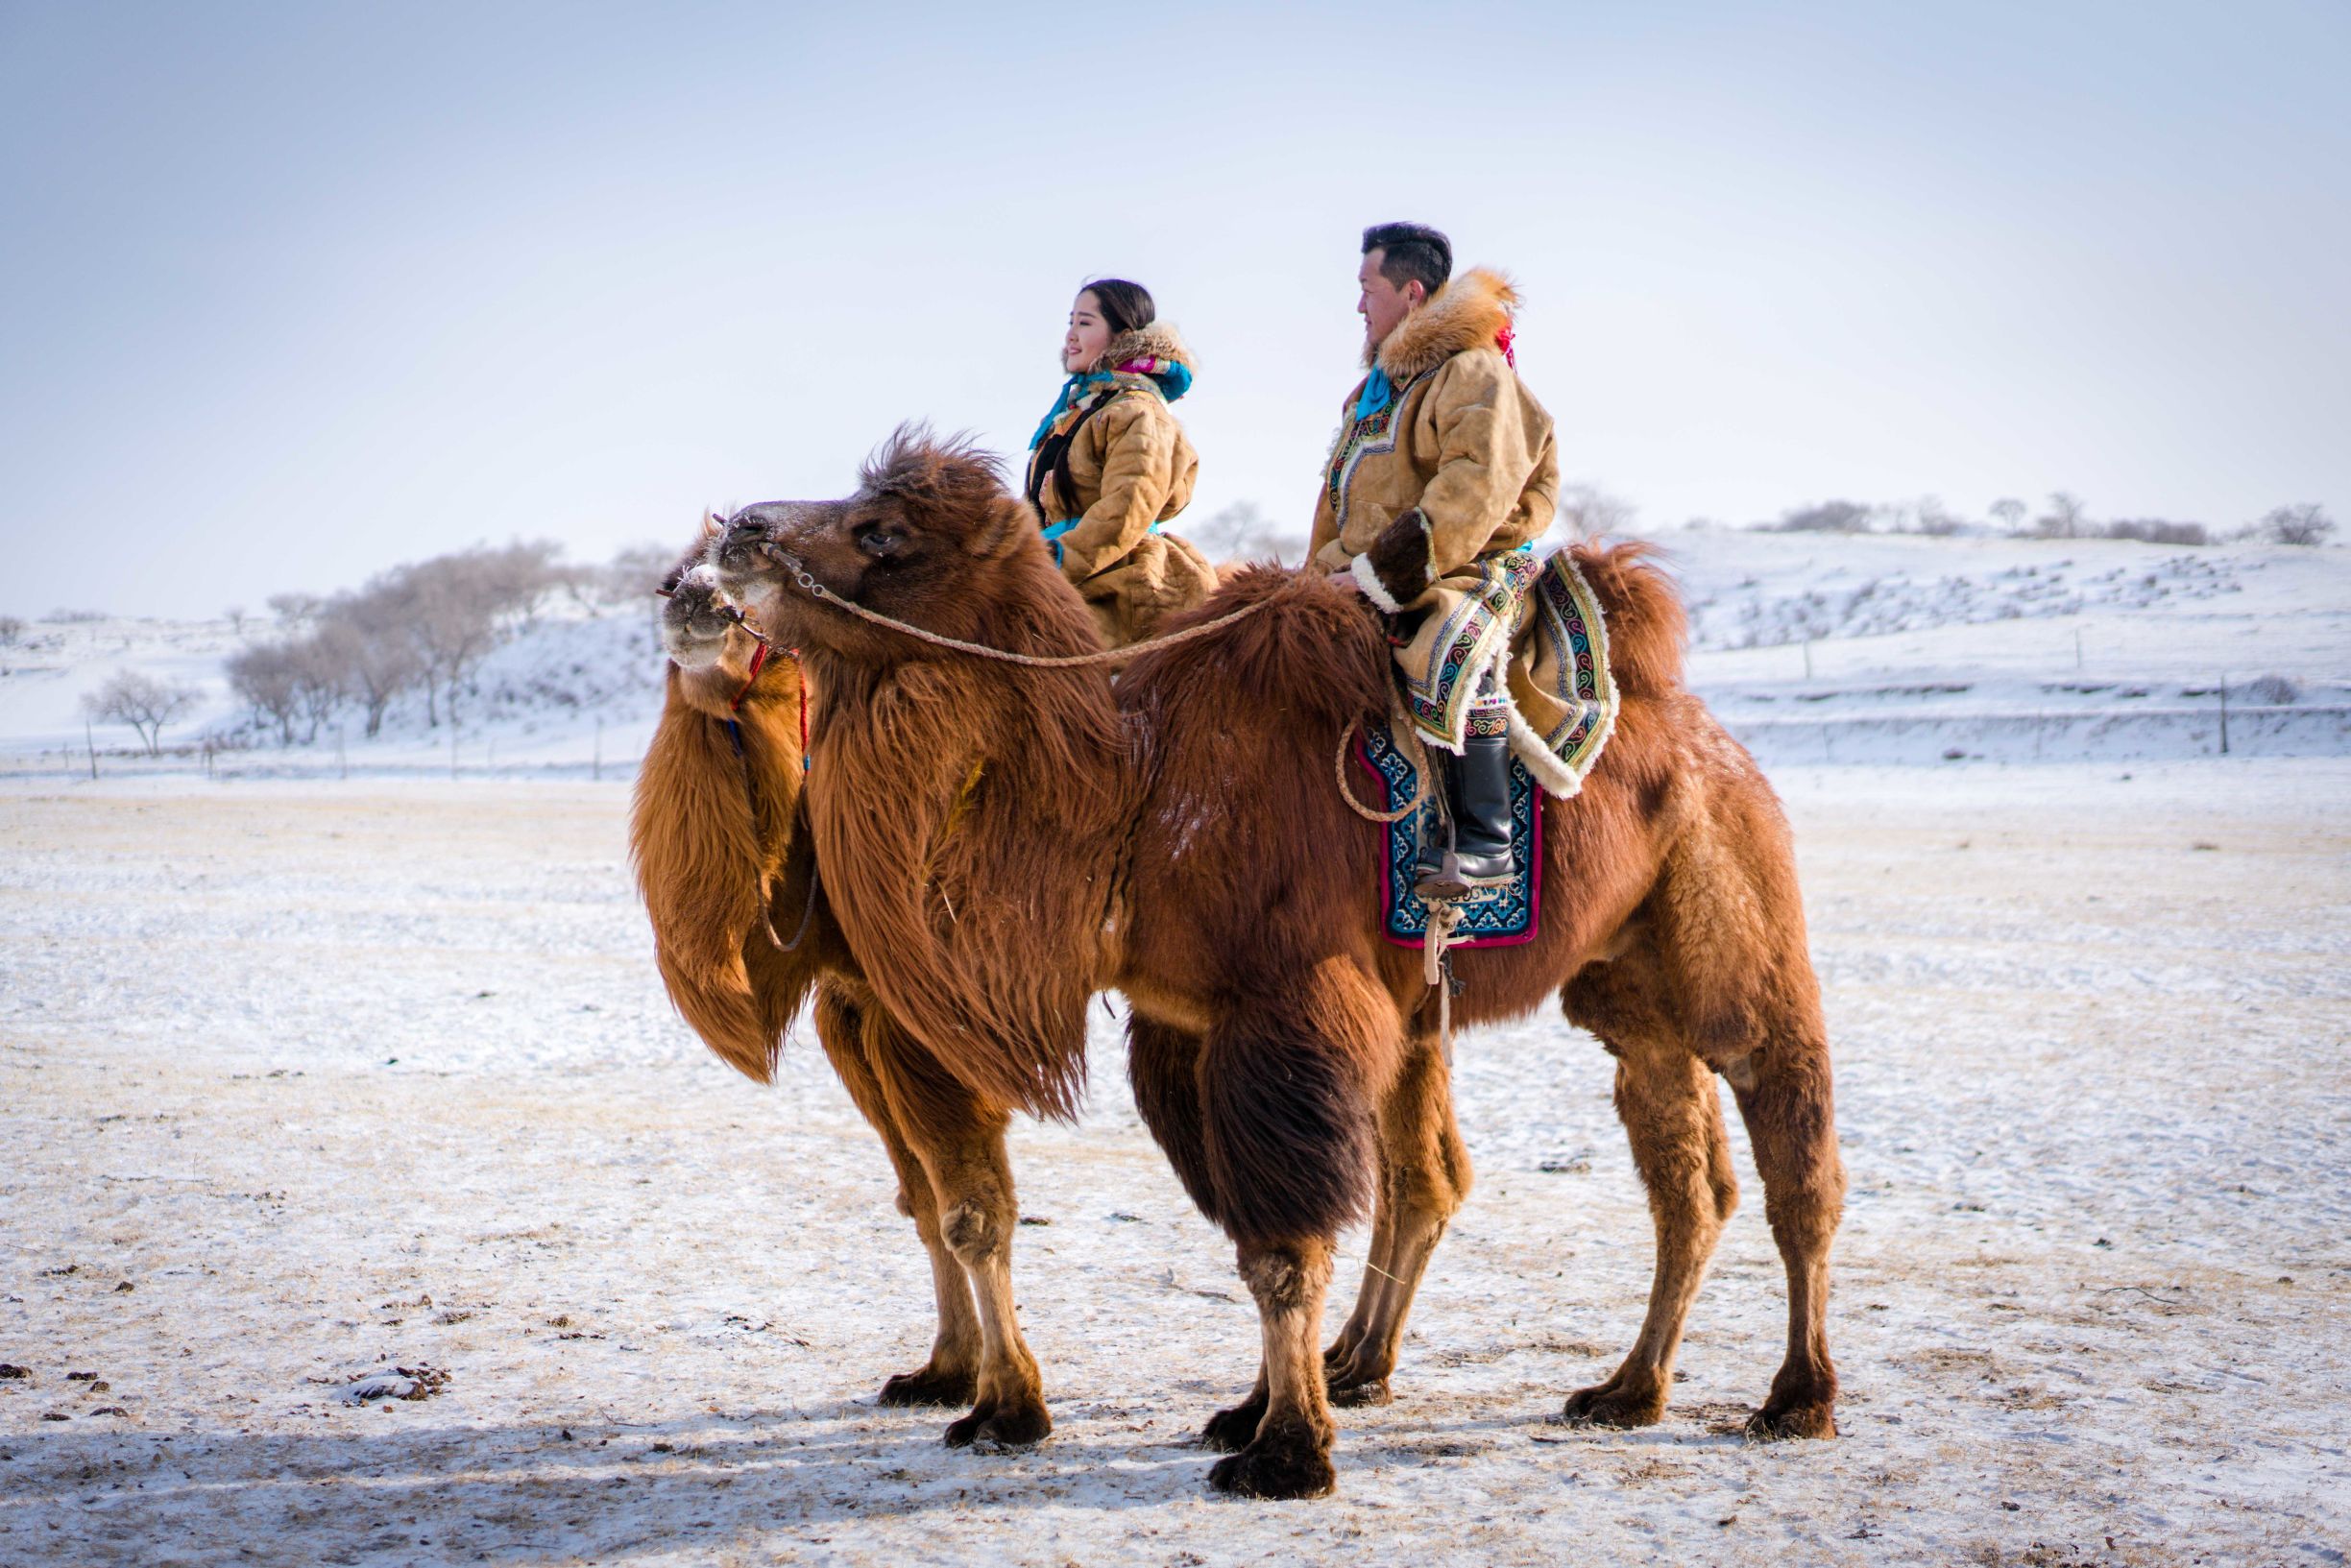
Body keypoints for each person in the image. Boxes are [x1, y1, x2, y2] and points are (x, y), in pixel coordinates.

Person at [1308, 222, 1561, 899]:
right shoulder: (1375, 395)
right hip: (1360, 574)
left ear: (1412, 293)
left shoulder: (1473, 373)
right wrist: (1312, 584)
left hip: (1462, 565)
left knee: (1448, 640)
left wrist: (1377, 578)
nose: (1359, 305)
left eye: (1368, 289)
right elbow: (1337, 507)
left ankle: (1485, 839)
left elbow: (1475, 491)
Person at [1025, 279, 1218, 650]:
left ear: (1122, 336)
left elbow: (1130, 506)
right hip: (1054, 574)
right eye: (1070, 322)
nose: (1070, 335)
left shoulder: (1138, 412)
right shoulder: (1077, 412)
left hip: (1118, 583)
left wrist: (1057, 559)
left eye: (1084, 323)